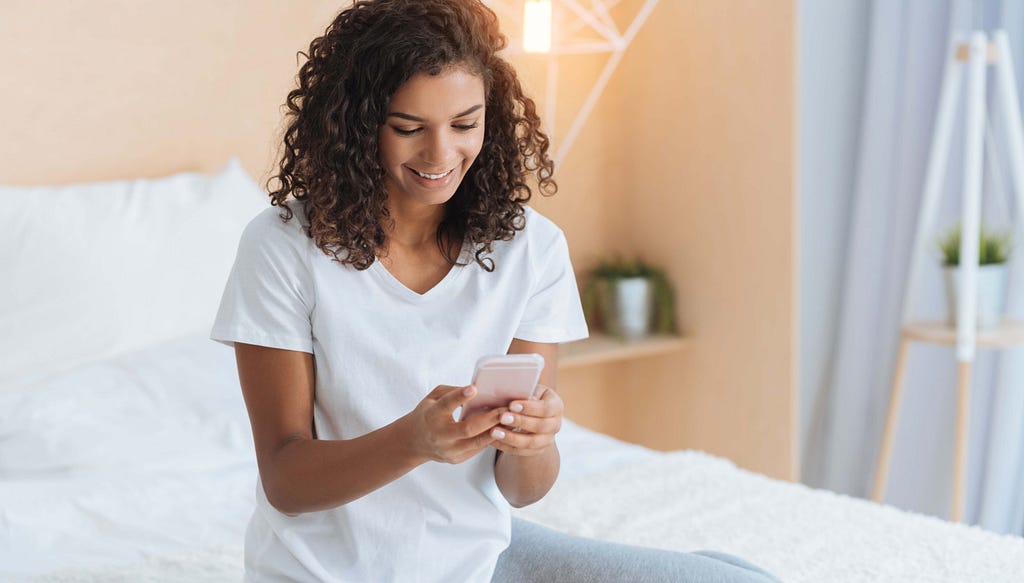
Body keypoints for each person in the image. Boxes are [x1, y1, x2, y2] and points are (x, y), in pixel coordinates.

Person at [212, 1, 783, 581]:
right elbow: (285, 480)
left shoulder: (529, 248)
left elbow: (521, 492)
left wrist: (532, 444)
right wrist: (415, 440)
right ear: (359, 126)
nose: (440, 156)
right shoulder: (283, 248)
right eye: (409, 128)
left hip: (483, 559)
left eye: (465, 124)